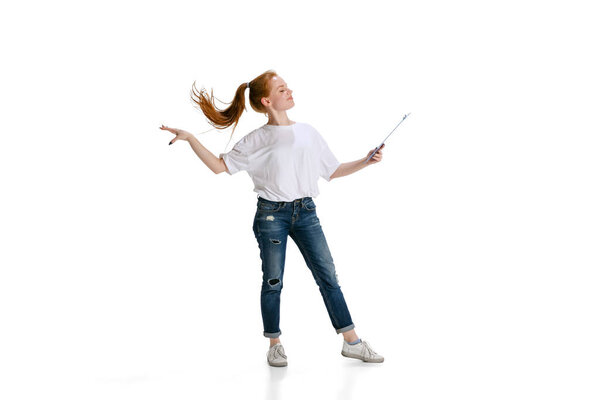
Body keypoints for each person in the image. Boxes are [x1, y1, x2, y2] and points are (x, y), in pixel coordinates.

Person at [160, 69, 385, 366]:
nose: (289, 92)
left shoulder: (308, 132)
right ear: (266, 101)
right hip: (271, 216)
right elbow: (218, 166)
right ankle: (275, 344)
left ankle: (352, 343)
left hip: (306, 213)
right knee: (273, 281)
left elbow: (331, 171)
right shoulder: (257, 139)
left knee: (328, 277)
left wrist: (366, 161)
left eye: (287, 87)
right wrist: (190, 139)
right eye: (281, 90)